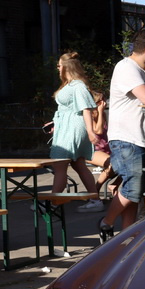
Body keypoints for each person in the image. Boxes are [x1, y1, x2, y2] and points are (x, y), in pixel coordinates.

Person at [98, 29, 145, 243]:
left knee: (136, 192)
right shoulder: (126, 68)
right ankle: (106, 222)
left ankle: (126, 237)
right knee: (134, 186)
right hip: (126, 138)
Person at [47, 52, 105, 212]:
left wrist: (91, 131)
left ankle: (53, 203)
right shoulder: (71, 85)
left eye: (59, 65)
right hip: (67, 127)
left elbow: (86, 109)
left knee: (59, 164)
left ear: (66, 67)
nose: (58, 68)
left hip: (73, 129)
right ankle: (95, 200)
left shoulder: (78, 86)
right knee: (78, 164)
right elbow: (67, 109)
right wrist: (56, 124)